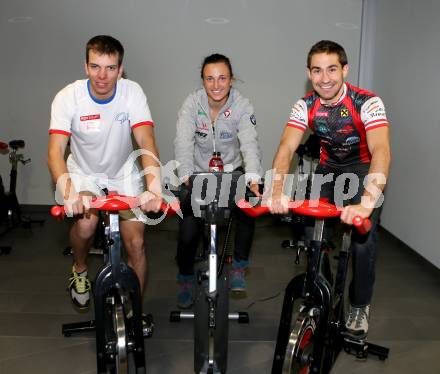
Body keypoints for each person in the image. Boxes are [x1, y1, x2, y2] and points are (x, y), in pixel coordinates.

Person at [269, 40, 391, 338]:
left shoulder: (368, 102)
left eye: (332, 69)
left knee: (364, 243)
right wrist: (276, 190)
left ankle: (360, 304)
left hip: (363, 170)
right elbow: (287, 147)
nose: (325, 78)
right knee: (311, 236)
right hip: (329, 172)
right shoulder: (305, 105)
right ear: (309, 73)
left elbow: (382, 152)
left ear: (345, 70)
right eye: (317, 71)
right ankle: (321, 294)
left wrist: (367, 202)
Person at [47, 35, 162, 321]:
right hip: (83, 173)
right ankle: (81, 268)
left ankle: (134, 312)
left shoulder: (132, 93)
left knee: (135, 243)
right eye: (96, 66)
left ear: (120, 70)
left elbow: (146, 141)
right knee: (86, 225)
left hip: (123, 172)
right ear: (85, 66)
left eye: (110, 68)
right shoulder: (68, 97)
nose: (102, 75)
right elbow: (55, 152)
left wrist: (154, 188)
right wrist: (69, 191)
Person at [174, 53, 263, 308]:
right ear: (202, 80)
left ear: (231, 80)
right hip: (197, 174)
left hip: (231, 172)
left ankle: (239, 265)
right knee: (188, 228)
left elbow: (249, 143)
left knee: (249, 203)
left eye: (222, 78)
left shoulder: (242, 105)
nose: (216, 85)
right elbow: (182, 142)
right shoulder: (192, 104)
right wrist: (186, 176)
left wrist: (254, 177)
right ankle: (185, 278)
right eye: (210, 78)